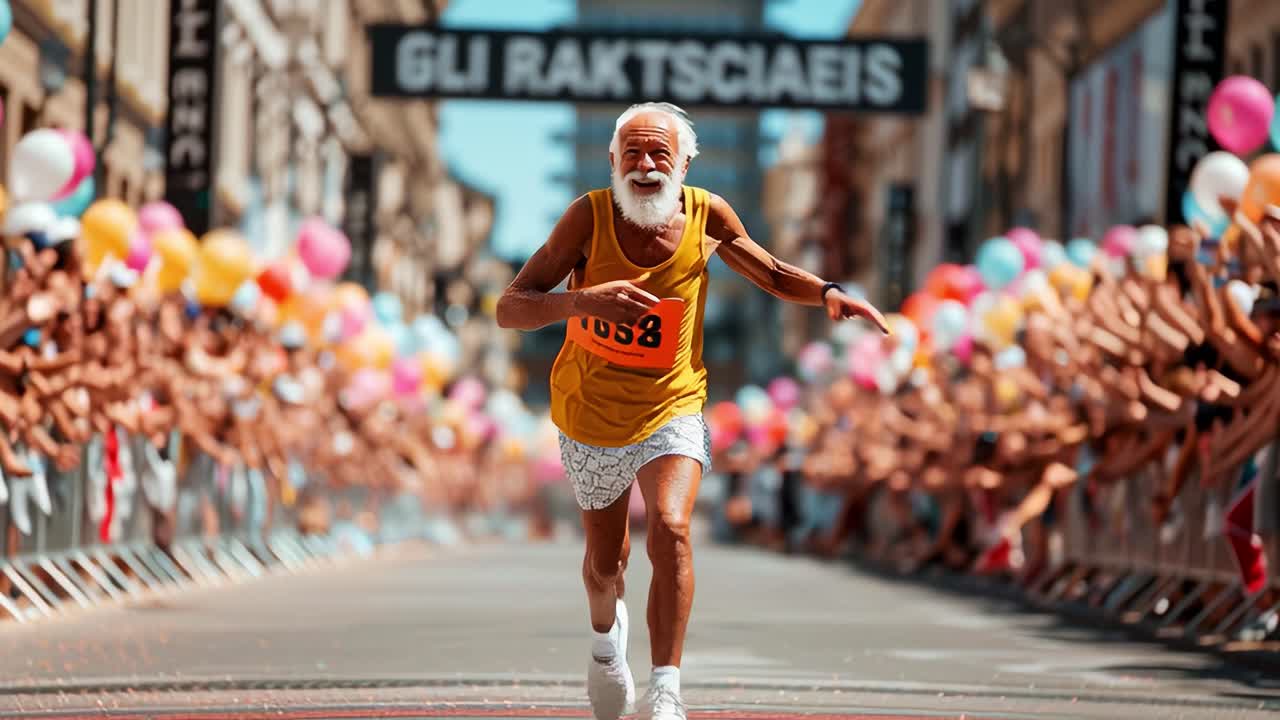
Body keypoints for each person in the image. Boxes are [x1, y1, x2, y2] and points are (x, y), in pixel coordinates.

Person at [496, 102, 888, 720]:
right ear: (612, 162)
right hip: (590, 411)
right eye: (633, 153)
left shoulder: (708, 215)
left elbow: (775, 272)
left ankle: (667, 689)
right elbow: (510, 306)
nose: (646, 165)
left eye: (660, 154)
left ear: (683, 164)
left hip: (672, 403)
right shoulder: (587, 218)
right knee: (607, 565)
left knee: (673, 528)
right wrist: (581, 303)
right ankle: (605, 645)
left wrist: (829, 294)